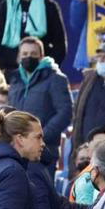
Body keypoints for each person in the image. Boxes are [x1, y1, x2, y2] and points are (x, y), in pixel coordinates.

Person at [8, 37, 73, 166]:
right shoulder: (15, 80)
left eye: (33, 54)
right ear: (19, 56)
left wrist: (40, 135)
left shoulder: (55, 78)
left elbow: (66, 112)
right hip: (17, 150)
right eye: (25, 54)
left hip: (44, 151)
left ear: (41, 56)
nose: (28, 57)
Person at [0, 0, 67, 65]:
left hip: (42, 68)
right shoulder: (7, 5)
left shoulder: (49, 5)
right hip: (12, 69)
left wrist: (49, 65)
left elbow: (59, 43)